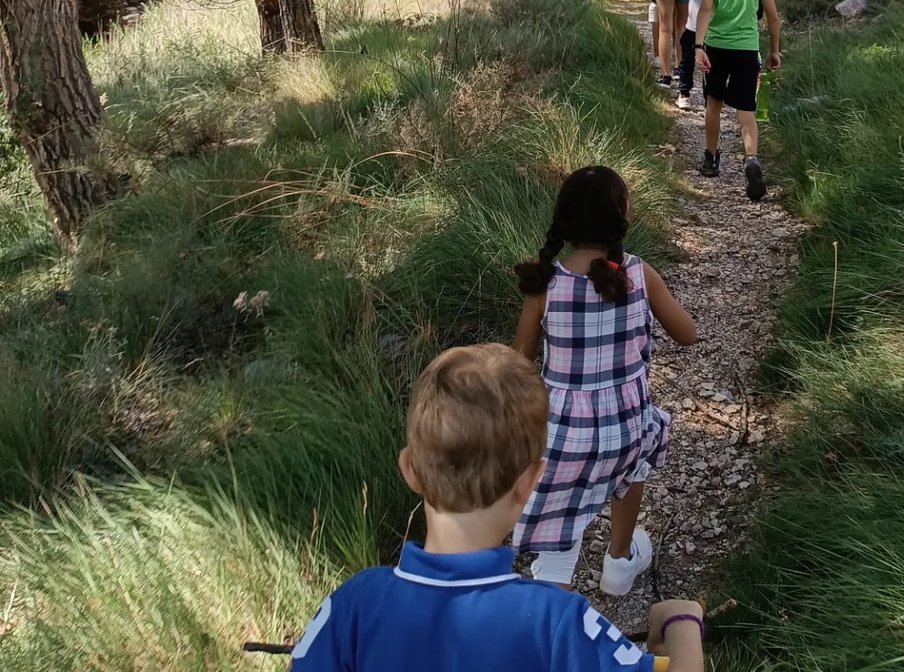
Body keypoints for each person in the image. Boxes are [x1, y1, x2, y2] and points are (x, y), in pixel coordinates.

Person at [288, 343, 706, 672]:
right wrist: (681, 621)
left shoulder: (352, 605)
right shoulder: (555, 621)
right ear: (529, 481)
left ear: (410, 469)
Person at [511, 166, 698, 597]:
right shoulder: (638, 273)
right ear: (623, 214)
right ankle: (618, 559)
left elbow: (519, 360)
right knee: (635, 461)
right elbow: (687, 334)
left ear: (562, 220)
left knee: (561, 499)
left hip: (562, 429)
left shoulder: (546, 285)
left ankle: (554, 587)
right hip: (625, 422)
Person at [695, 0, 781, 201]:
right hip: (746, 49)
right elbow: (772, 17)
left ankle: (710, 157)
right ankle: (752, 159)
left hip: (717, 47)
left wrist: (698, 47)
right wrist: (774, 51)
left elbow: (705, 10)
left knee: (713, 103)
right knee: (746, 109)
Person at [672, 0, 725, 111]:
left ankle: (684, 95)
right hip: (713, 32)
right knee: (710, 67)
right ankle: (709, 99)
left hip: (693, 29)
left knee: (686, 63)